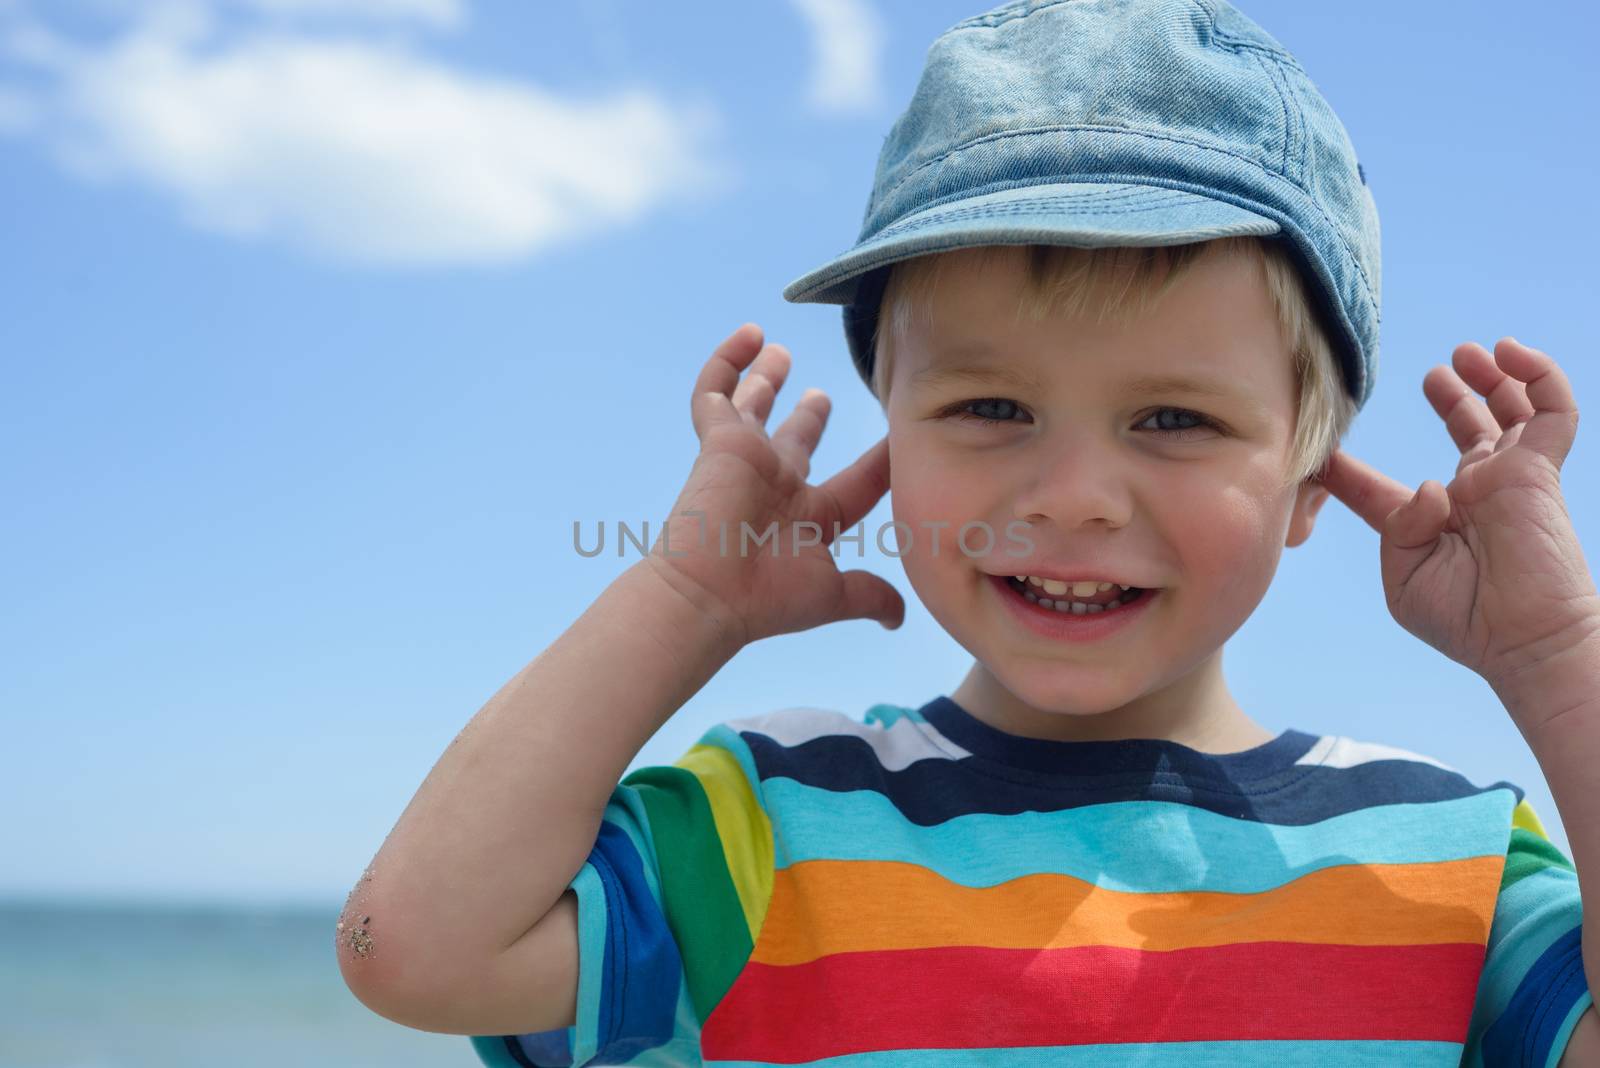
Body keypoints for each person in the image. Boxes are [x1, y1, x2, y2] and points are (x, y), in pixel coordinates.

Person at [336, 1, 1600, 1064]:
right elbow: (413, 953)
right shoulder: (769, 829)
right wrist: (685, 601)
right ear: (890, 433)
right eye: (989, 406)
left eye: (1172, 417)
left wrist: (1557, 658)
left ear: (1311, 479)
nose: (1069, 495)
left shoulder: (1447, 865)